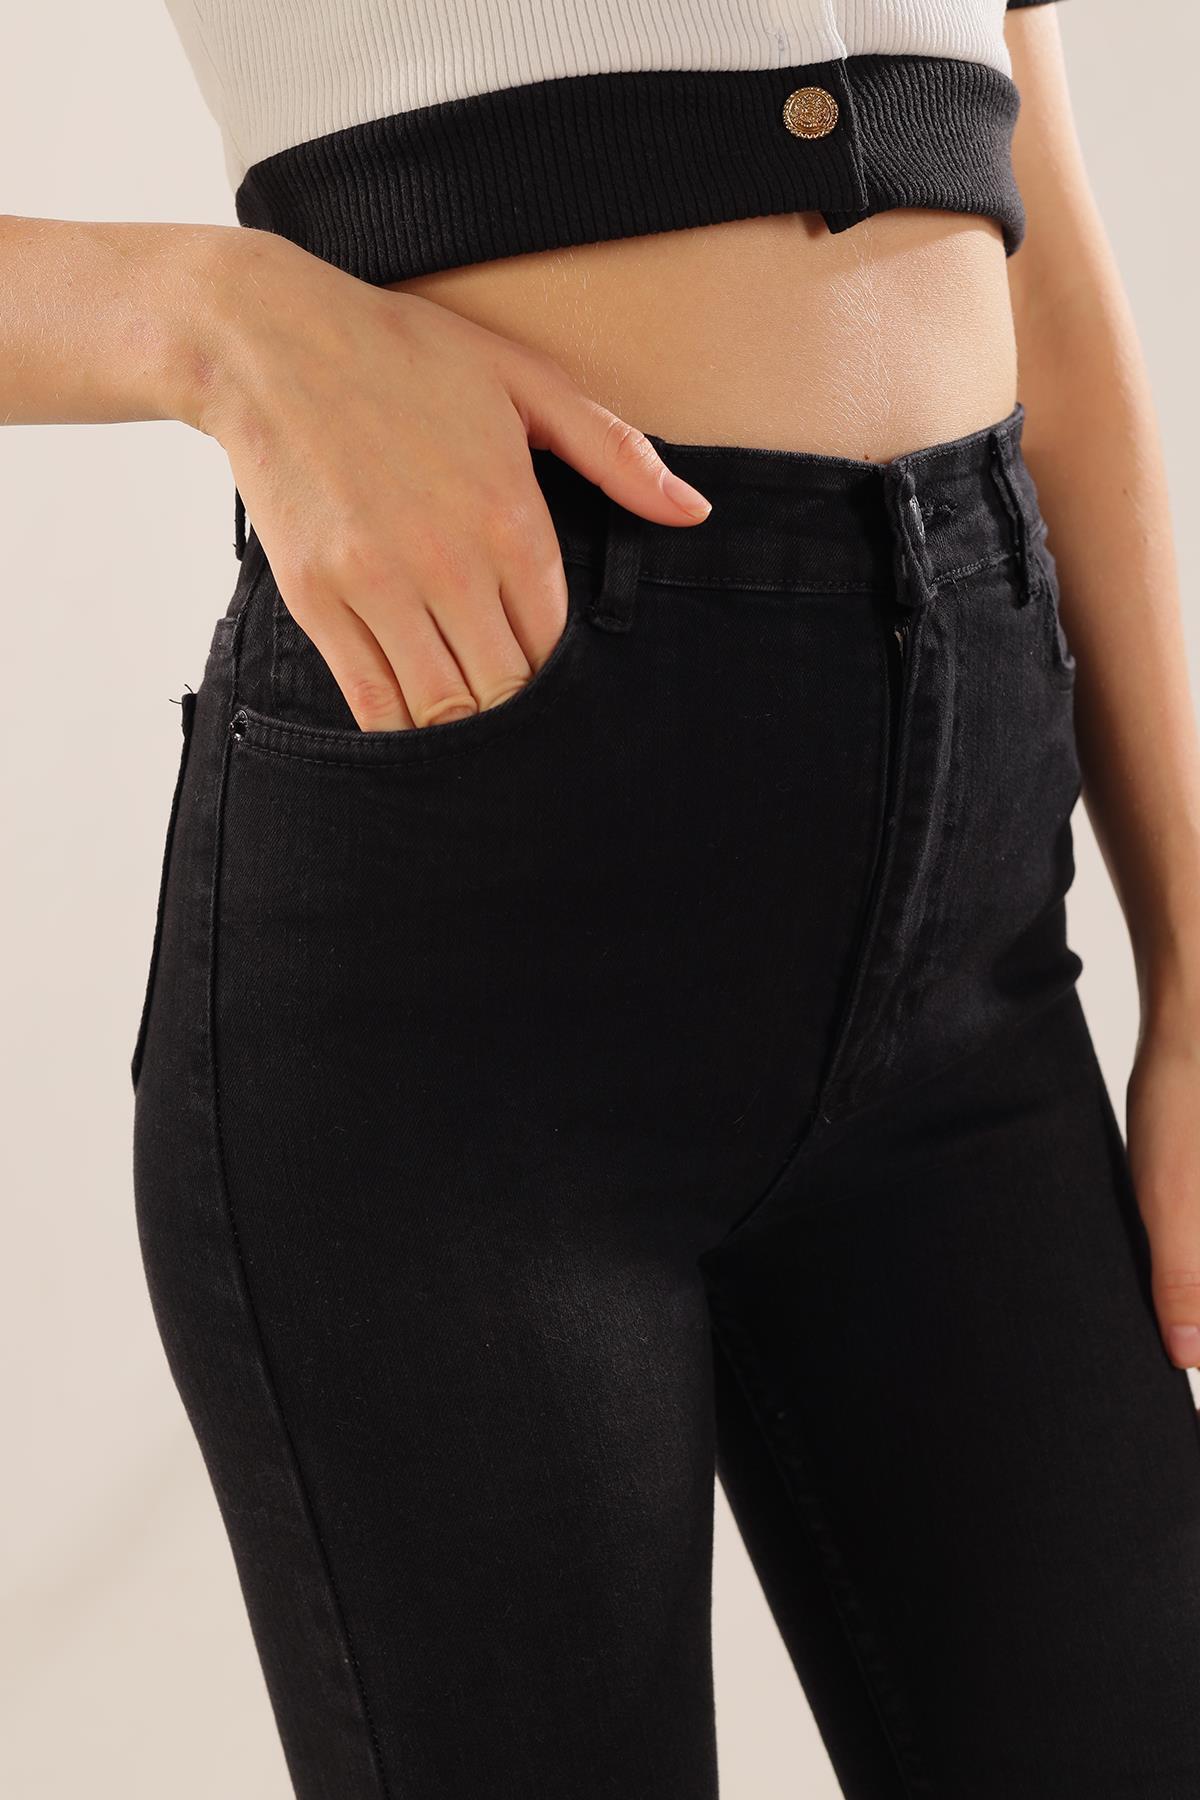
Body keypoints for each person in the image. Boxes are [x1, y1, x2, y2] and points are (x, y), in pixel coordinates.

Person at [7, 1, 1200, 1794]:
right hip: (469, 943)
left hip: (977, 923)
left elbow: (1044, 241)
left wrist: (1192, 963)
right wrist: (209, 319)